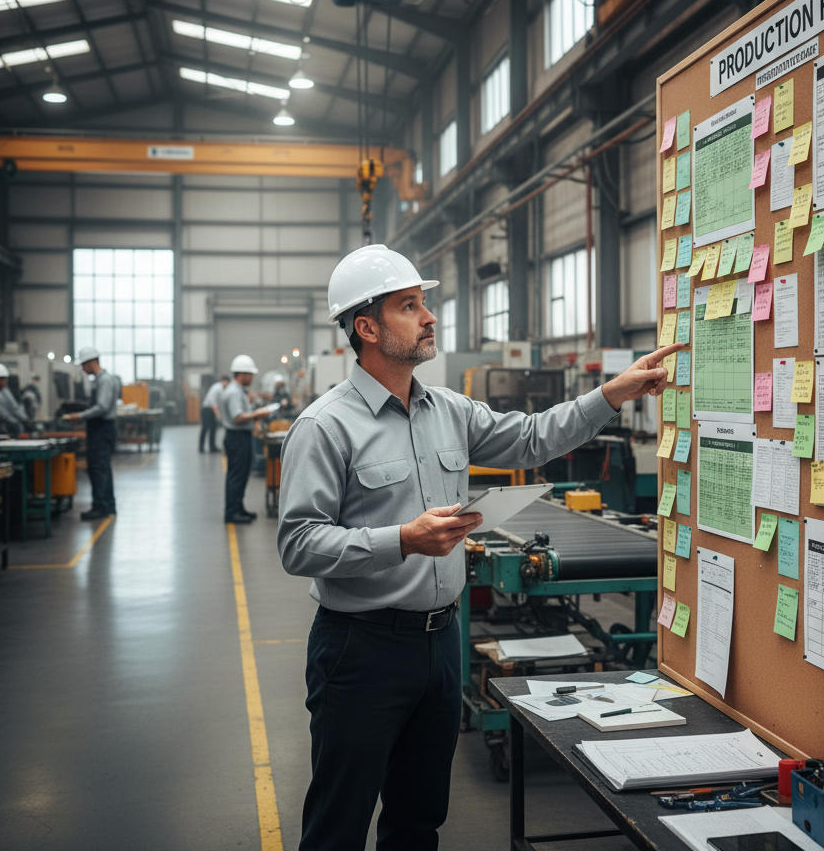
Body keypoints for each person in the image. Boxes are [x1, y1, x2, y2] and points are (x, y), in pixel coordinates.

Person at [277, 243, 679, 851]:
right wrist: (403, 539)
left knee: (419, 819)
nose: (429, 316)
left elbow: (533, 439)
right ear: (366, 327)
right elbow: (299, 543)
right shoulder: (324, 426)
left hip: (440, 645)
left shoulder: (449, 412)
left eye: (424, 303)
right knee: (339, 819)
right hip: (359, 653)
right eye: (409, 306)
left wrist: (612, 394)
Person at [65, 348, 121, 521]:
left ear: (91, 362)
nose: (82, 368)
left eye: (83, 364)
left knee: (98, 469)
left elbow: (102, 407)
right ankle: (108, 505)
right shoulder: (101, 380)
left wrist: (79, 416)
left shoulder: (104, 381)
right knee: (102, 468)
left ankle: (101, 507)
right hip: (101, 428)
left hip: (101, 428)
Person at [220, 354, 273, 525]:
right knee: (236, 476)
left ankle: (238, 508)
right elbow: (238, 418)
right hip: (237, 438)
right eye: (250, 374)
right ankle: (232, 513)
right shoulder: (234, 393)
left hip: (240, 437)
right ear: (242, 374)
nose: (251, 378)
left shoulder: (239, 391)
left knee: (241, 475)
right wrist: (259, 414)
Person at [199, 374, 229, 453]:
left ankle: (212, 447)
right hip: (207, 409)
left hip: (212, 410)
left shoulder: (222, 389)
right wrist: (217, 414)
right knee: (205, 428)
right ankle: (201, 448)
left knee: (213, 429)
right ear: (224, 381)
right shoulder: (217, 387)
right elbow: (213, 402)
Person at [0, 363, 29, 435]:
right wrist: (14, 422)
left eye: (5, 378)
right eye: (2, 378)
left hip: (5, 425)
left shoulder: (4, 391)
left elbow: (14, 407)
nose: (5, 381)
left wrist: (25, 419)